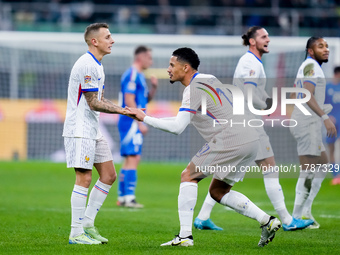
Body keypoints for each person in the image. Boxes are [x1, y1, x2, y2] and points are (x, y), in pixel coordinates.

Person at [131, 47, 281, 247]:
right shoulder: (209, 78)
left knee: (188, 176)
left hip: (231, 137)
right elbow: (188, 117)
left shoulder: (192, 89)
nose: (168, 69)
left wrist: (144, 118)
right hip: (251, 137)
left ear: (185, 68)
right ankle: (267, 221)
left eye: (171, 65)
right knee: (218, 191)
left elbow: (177, 127)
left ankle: (185, 237)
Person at [195, 26, 313, 232]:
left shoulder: (254, 62)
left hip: (241, 122)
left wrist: (266, 100)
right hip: (248, 124)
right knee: (270, 168)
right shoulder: (249, 62)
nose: (268, 39)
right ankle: (287, 220)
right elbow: (249, 93)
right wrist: (266, 103)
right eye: (263, 36)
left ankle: (203, 217)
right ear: (252, 41)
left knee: (225, 175)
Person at [62, 23, 135, 245]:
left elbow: (99, 100)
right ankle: (76, 233)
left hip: (93, 129)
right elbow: (93, 103)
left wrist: (123, 109)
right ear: (95, 41)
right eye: (108, 37)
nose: (112, 40)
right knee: (84, 177)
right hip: (80, 130)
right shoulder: (86, 65)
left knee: (109, 175)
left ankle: (87, 224)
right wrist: (123, 110)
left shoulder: (98, 65)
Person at [290, 37, 337, 229]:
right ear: (310, 51)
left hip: (308, 121)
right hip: (307, 123)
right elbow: (307, 94)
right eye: (320, 46)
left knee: (323, 164)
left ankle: (306, 211)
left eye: (326, 46)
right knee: (308, 170)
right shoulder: (310, 66)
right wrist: (324, 117)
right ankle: (296, 217)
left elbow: (296, 93)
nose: (326, 49)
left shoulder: (310, 67)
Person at [117, 46, 158, 208]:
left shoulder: (139, 76)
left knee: (130, 158)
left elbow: (144, 100)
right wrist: (139, 122)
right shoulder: (132, 74)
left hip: (130, 120)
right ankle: (129, 198)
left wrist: (154, 87)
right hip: (130, 121)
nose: (151, 61)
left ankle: (122, 197)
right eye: (149, 57)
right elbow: (128, 100)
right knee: (134, 158)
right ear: (140, 58)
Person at [324, 66, 340, 185]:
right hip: (332, 123)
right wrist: (327, 117)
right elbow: (321, 104)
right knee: (331, 148)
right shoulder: (327, 87)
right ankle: (335, 175)